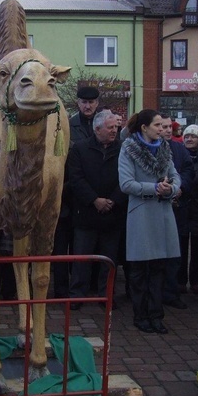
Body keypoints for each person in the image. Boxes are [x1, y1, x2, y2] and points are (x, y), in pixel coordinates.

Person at [118, 109, 181, 334]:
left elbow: (175, 176)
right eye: (157, 125)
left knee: (158, 269)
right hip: (141, 214)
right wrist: (154, 188)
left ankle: (156, 315)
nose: (162, 129)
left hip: (163, 214)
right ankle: (140, 315)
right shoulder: (128, 149)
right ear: (144, 128)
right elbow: (126, 184)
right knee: (139, 271)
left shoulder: (164, 148)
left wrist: (171, 189)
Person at [67, 109, 126, 310]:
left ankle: (106, 295)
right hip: (86, 213)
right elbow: (75, 178)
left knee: (109, 261)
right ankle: (77, 295)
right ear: (97, 128)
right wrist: (94, 200)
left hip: (113, 213)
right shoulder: (79, 149)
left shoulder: (123, 149)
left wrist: (113, 200)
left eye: (116, 128)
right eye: (110, 128)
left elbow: (126, 177)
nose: (114, 131)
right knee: (81, 258)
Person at [160, 116, 194, 309]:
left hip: (178, 207)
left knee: (176, 254)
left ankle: (171, 292)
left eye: (168, 127)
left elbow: (189, 170)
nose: (166, 130)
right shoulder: (150, 149)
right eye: (162, 126)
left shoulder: (179, 148)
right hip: (158, 206)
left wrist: (181, 187)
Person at [179, 124, 198, 295]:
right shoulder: (181, 155)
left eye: (193, 136)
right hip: (183, 205)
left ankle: (196, 280)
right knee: (181, 244)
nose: (189, 139)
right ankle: (180, 280)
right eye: (187, 136)